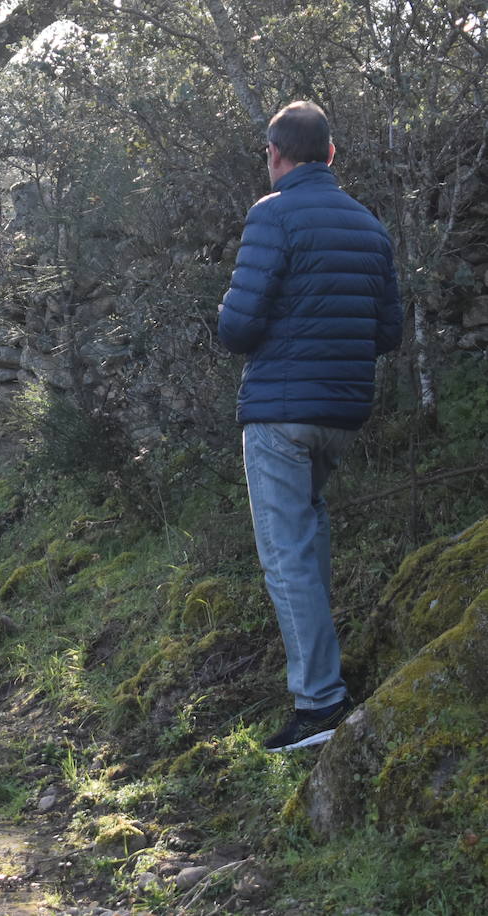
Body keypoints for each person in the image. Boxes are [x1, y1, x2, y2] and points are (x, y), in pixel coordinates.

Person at [218, 101, 403, 752]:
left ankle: (320, 703)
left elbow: (236, 329)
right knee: (310, 541)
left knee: (287, 556)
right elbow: (389, 332)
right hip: (343, 412)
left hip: (278, 415)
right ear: (330, 154)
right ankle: (326, 682)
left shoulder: (272, 216)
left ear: (276, 155)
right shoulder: (369, 225)